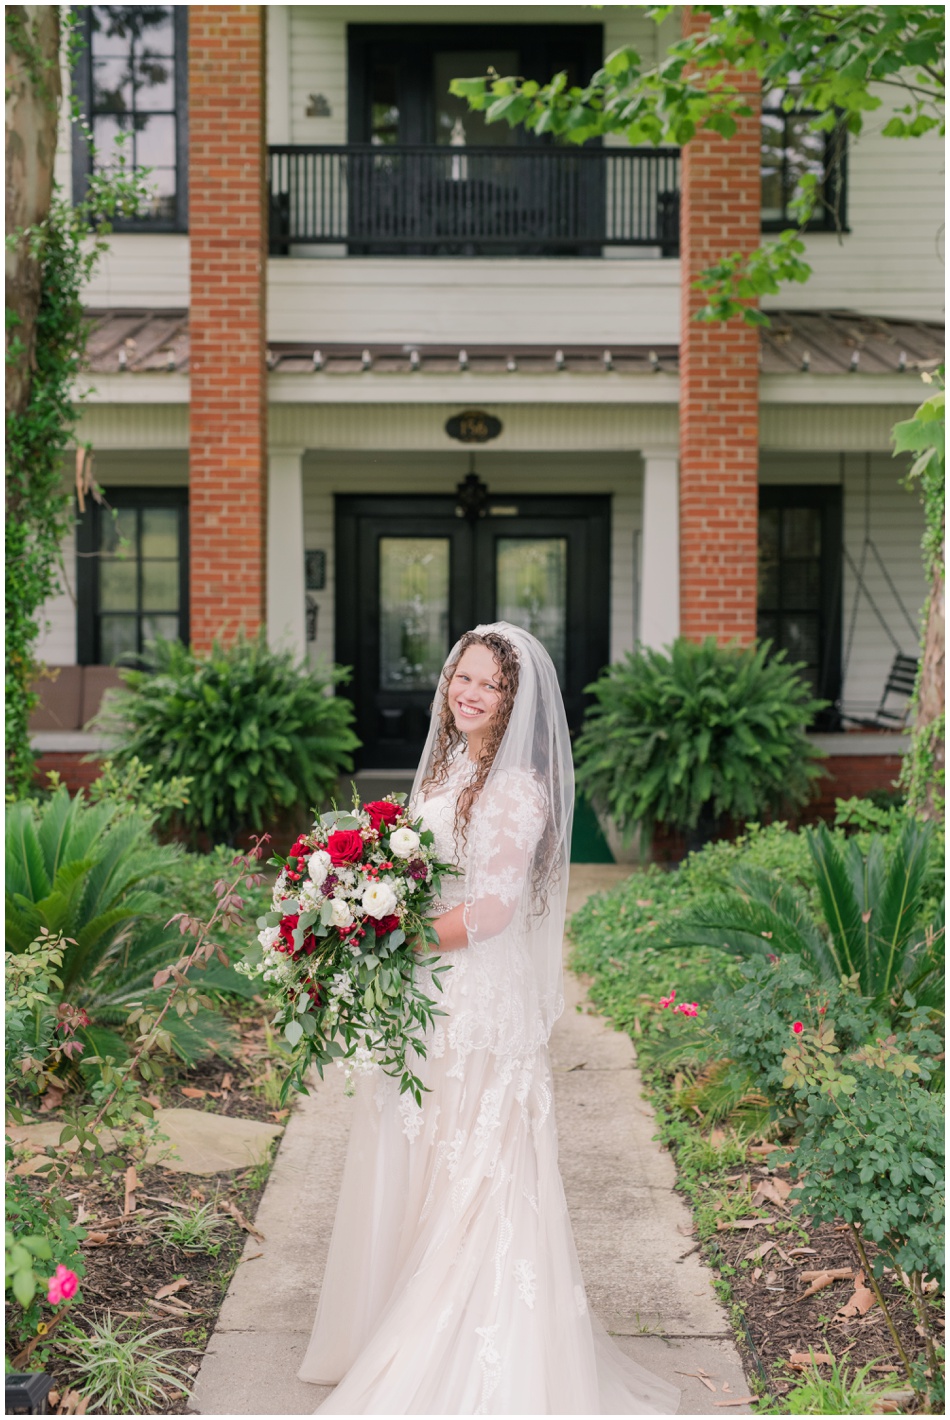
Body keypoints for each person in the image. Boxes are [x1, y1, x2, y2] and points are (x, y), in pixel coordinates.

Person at [298, 623, 679, 1415]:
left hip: (474, 993)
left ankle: (469, 1344)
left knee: (476, 1162)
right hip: (428, 985)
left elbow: (498, 909)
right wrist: (364, 908)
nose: (466, 693)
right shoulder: (449, 768)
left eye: (486, 685)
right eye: (459, 678)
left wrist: (388, 932)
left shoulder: (516, 789)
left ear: (514, 700)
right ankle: (393, 1311)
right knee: (422, 1145)